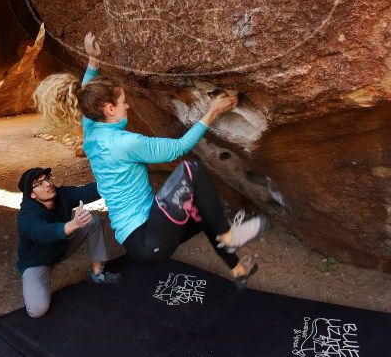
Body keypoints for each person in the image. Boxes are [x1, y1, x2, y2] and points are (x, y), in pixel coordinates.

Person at [33, 32, 269, 286]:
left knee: (202, 211)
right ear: (109, 109)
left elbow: (86, 100)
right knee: (191, 170)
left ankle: (237, 268)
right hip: (148, 239)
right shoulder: (125, 143)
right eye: (123, 102)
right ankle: (228, 235)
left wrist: (93, 60)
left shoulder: (91, 130)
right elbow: (179, 147)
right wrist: (213, 112)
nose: (128, 106)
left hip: (141, 238)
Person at [16, 166, 122, 318]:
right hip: (38, 261)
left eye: (47, 178)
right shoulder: (26, 216)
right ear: (32, 194)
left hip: (62, 247)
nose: (47, 184)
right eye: (39, 184)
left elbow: (87, 191)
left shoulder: (61, 194)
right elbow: (44, 233)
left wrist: (116, 178)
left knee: (93, 219)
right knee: (37, 310)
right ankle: (33, 288)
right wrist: (74, 224)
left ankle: (98, 272)